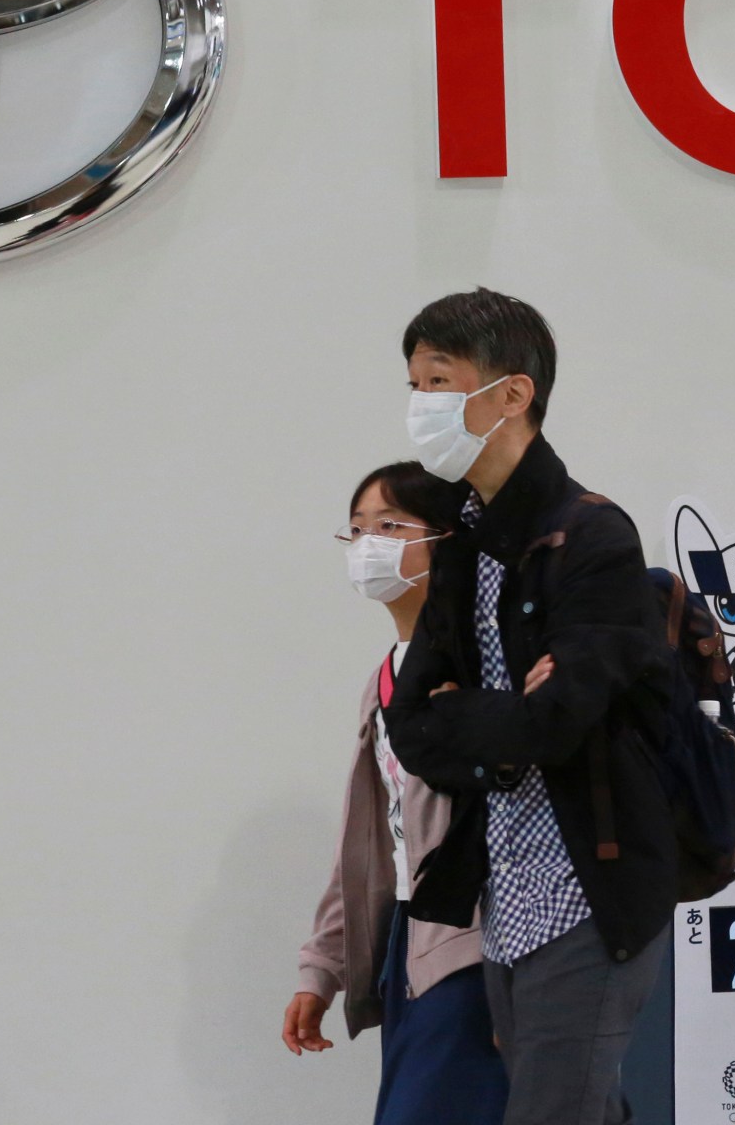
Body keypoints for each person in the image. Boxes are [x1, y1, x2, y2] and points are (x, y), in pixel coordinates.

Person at [380, 287, 674, 1125]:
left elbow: (561, 719)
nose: (421, 404)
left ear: (512, 393)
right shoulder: (463, 538)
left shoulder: (592, 536)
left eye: (439, 380)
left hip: (590, 886)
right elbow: (410, 723)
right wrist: (499, 715)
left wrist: (467, 711)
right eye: (414, 383)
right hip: (501, 892)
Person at [284, 461, 509, 1125]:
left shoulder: (482, 667)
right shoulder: (384, 680)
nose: (367, 547)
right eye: (355, 531)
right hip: (406, 950)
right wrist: (321, 969)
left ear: (447, 539)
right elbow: (371, 840)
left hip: (476, 949)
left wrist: (519, 976)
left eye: (388, 526)